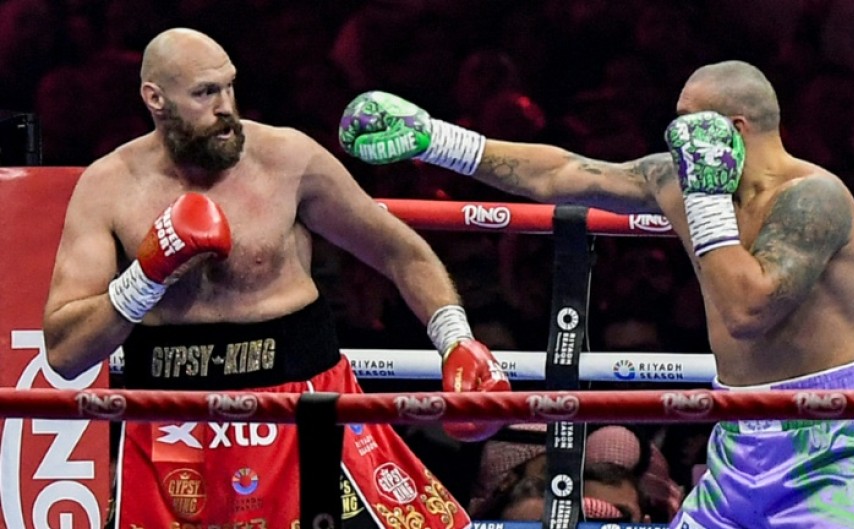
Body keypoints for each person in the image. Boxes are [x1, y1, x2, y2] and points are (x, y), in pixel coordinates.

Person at [338, 60, 854, 528]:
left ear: (735, 127)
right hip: (737, 433)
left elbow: (747, 309)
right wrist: (441, 140)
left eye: (688, 124)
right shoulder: (680, 181)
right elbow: (562, 172)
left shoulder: (814, 199)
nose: (675, 139)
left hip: (829, 435)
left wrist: (704, 202)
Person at [42, 28, 510, 528]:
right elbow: (65, 354)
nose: (226, 107)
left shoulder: (288, 159)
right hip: (174, 430)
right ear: (155, 98)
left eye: (229, 86)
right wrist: (145, 279)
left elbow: (400, 251)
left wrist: (455, 338)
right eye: (205, 93)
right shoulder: (106, 188)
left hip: (304, 413)